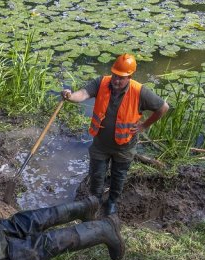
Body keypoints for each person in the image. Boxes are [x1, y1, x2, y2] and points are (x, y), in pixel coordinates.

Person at [61, 53, 169, 216]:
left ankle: (111, 202)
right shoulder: (101, 82)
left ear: (130, 76)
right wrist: (70, 96)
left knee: (119, 177)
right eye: (115, 76)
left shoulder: (139, 92)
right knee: (97, 175)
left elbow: (163, 107)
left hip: (124, 147)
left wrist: (144, 126)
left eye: (121, 78)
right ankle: (94, 203)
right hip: (101, 144)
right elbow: (83, 93)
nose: (116, 80)